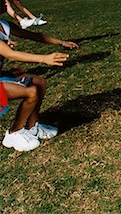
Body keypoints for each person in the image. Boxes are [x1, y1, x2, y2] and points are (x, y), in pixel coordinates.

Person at [0, 12, 78, 152]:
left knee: (39, 82)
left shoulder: (4, 25)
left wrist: (61, 42)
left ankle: (32, 127)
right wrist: (44, 58)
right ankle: (13, 133)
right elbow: (10, 55)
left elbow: (35, 36)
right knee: (31, 92)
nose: (5, 2)